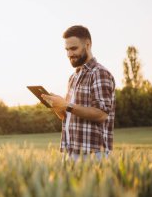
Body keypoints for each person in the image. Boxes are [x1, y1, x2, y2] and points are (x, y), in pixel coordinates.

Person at [41, 25, 115, 161]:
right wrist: (57, 106)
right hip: (70, 151)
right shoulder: (73, 77)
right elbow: (66, 115)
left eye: (73, 48)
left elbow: (101, 114)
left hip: (94, 154)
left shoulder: (99, 73)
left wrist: (67, 105)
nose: (69, 54)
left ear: (87, 45)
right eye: (67, 49)